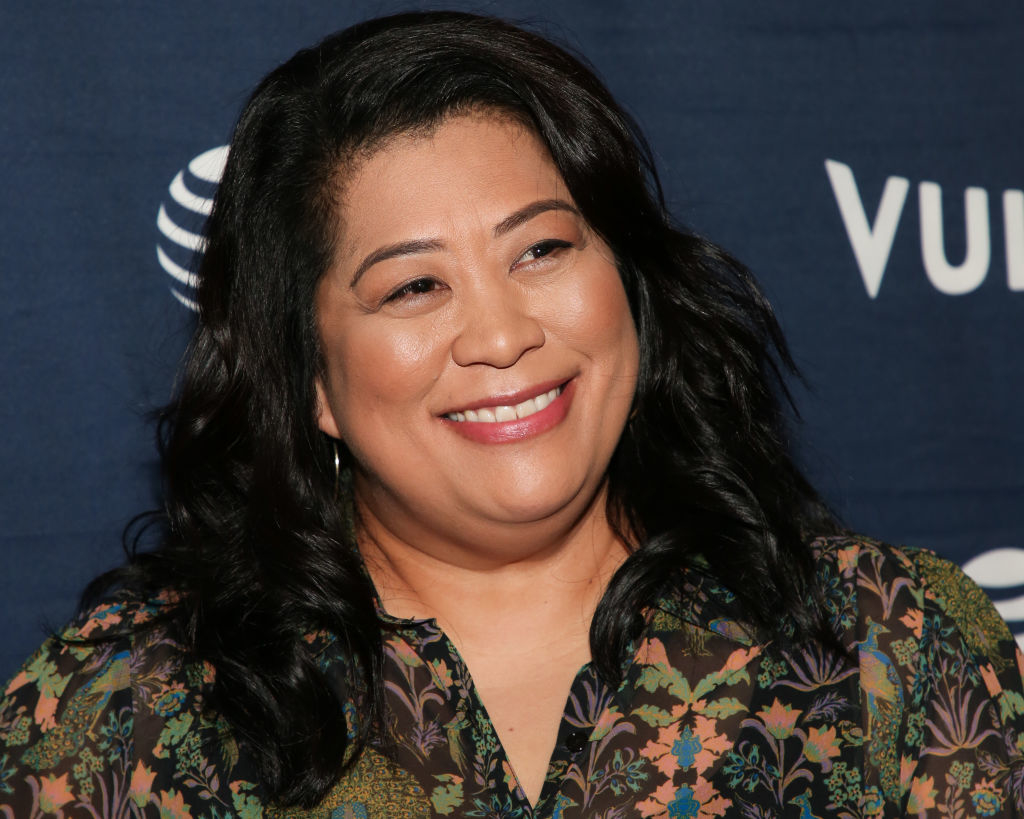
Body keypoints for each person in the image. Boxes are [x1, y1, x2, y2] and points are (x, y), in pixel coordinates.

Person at [2, 10, 1022, 818]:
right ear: (308, 379)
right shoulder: (129, 712)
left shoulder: (892, 647)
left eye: (541, 250)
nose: (499, 335)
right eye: (413, 287)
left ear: (629, 286)